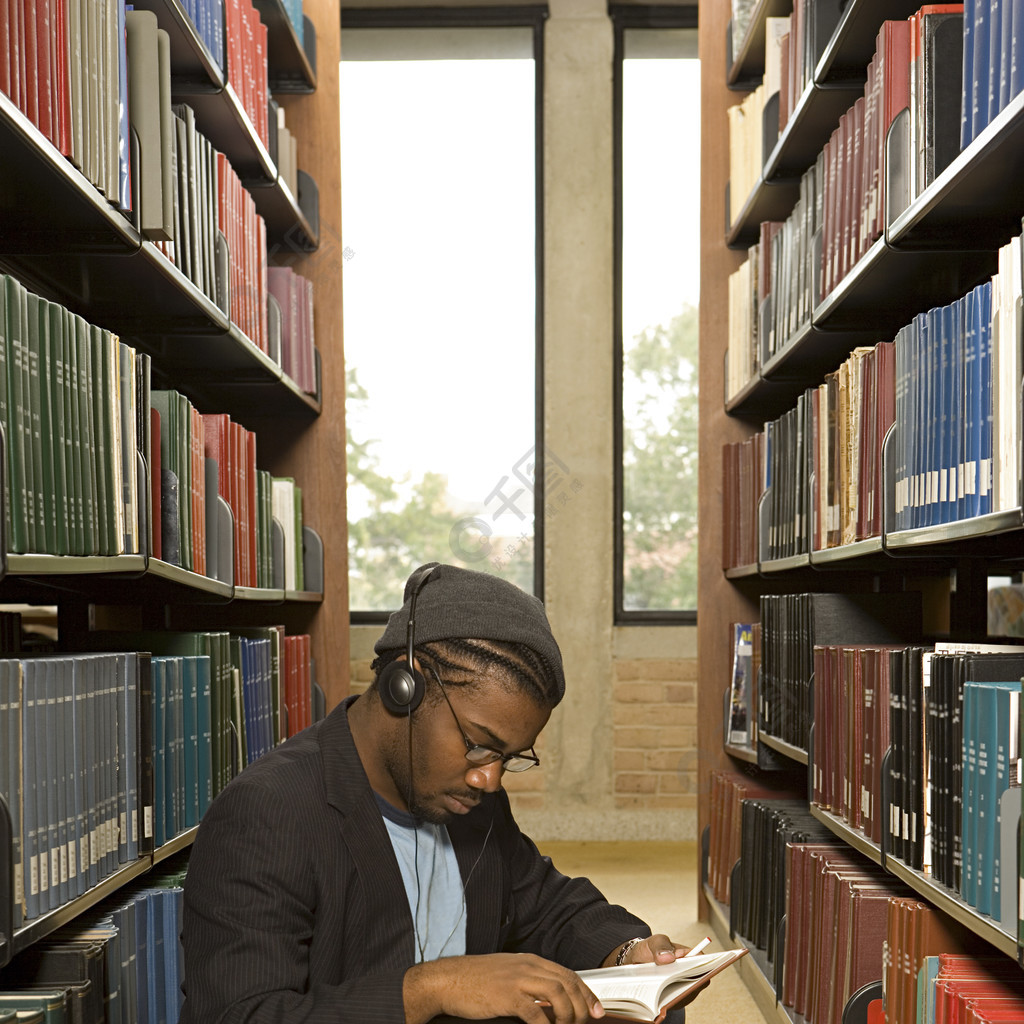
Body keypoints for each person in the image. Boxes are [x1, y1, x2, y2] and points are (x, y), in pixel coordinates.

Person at [179, 562, 694, 1024]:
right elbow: (238, 1013)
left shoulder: (469, 799)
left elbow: (544, 902)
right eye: (478, 745)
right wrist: (430, 988)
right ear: (407, 687)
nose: (489, 779)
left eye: (509, 758)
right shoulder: (269, 811)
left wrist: (627, 954)